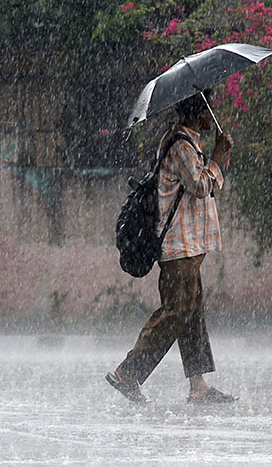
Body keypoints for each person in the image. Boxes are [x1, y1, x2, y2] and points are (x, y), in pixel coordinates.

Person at [106, 89, 237, 404]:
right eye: (208, 109)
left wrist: (219, 156)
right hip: (178, 247)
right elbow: (200, 185)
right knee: (176, 311)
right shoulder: (180, 145)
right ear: (197, 112)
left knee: (192, 313)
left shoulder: (188, 142)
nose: (212, 115)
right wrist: (219, 157)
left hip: (190, 247)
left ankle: (198, 386)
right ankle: (128, 373)